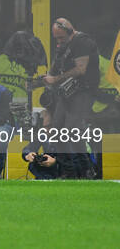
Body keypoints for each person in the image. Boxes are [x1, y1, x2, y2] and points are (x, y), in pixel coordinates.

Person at [38, 18, 99, 178]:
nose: (59, 41)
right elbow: (55, 68)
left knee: (72, 129)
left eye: (61, 37)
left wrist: (55, 79)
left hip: (83, 91)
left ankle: (87, 169)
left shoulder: (83, 42)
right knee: (57, 130)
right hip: (66, 94)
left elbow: (80, 69)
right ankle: (68, 170)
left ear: (70, 31)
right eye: (56, 38)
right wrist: (47, 78)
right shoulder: (62, 47)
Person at [22, 110, 58, 180]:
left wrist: (55, 161)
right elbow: (27, 149)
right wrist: (28, 155)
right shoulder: (42, 135)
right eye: (43, 127)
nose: (46, 130)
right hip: (47, 168)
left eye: (49, 126)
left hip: (62, 168)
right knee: (33, 164)